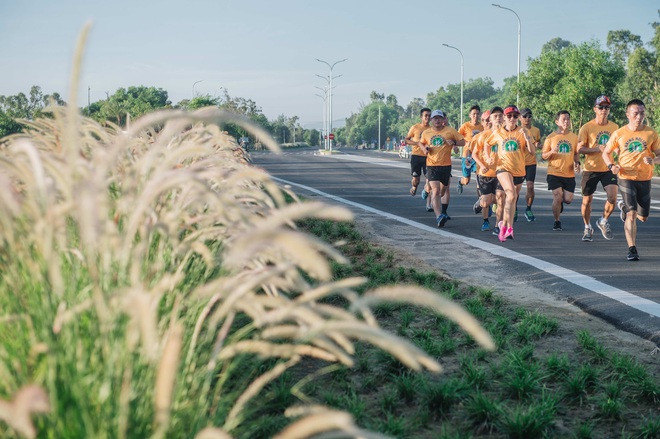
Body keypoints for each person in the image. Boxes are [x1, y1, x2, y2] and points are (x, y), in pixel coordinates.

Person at [603, 99, 660, 261]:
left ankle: (623, 207)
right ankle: (632, 249)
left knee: (643, 217)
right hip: (625, 176)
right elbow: (606, 152)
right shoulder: (619, 133)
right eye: (635, 113)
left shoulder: (651, 133)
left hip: (644, 178)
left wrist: (653, 161)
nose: (639, 116)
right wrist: (611, 166)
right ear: (627, 115)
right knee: (632, 214)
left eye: (642, 113)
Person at [485, 105, 534, 242]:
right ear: (505, 118)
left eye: (514, 116)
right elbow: (487, 144)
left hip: (519, 170)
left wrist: (527, 138)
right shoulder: (498, 132)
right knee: (511, 194)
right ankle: (508, 228)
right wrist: (488, 157)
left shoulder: (523, 131)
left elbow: (532, 152)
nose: (512, 118)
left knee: (512, 199)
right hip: (503, 168)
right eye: (509, 116)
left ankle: (505, 225)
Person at [577, 95, 619, 242]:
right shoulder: (587, 127)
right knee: (587, 201)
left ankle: (603, 220)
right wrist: (596, 149)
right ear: (595, 109)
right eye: (601, 107)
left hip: (608, 168)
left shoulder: (614, 127)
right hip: (591, 169)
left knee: (613, 197)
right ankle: (587, 226)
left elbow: (617, 148)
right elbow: (580, 149)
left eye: (606, 107)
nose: (604, 110)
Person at [419, 110, 465, 227]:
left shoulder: (450, 131)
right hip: (432, 165)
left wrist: (454, 142)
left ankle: (440, 210)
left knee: (443, 190)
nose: (437, 120)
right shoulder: (427, 132)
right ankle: (439, 216)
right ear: (431, 120)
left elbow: (463, 141)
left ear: (443, 119)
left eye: (439, 118)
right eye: (435, 118)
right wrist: (424, 149)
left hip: (445, 166)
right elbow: (420, 143)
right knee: (436, 191)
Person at [541, 110, 581, 232]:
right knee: (558, 196)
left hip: (568, 173)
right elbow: (543, 156)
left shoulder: (574, 137)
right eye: (563, 119)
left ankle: (559, 204)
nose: (566, 121)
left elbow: (575, 153)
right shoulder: (550, 137)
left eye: (568, 119)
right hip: (554, 172)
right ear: (557, 121)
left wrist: (577, 163)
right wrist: (552, 151)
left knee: (567, 199)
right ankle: (557, 221)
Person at [471, 109, 500, 232]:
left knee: (500, 198)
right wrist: (482, 165)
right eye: (486, 120)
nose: (488, 122)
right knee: (487, 201)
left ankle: (498, 226)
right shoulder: (482, 136)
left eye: (490, 119)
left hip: (500, 173)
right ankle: (485, 220)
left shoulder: (503, 134)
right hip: (485, 173)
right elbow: (473, 154)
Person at [405, 108, 432, 212]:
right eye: (426, 115)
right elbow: (407, 140)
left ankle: (428, 204)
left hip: (428, 157)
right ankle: (414, 187)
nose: (428, 118)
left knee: (430, 180)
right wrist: (417, 143)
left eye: (429, 116)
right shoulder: (415, 127)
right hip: (416, 156)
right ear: (421, 117)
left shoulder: (432, 129)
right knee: (416, 179)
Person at [519, 108, 542, 221]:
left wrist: (539, 144)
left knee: (530, 186)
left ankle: (528, 208)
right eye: (524, 116)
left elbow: (537, 142)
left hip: (531, 162)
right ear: (520, 118)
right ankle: (514, 209)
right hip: (518, 163)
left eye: (529, 116)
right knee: (515, 189)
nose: (527, 118)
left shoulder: (536, 130)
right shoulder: (517, 130)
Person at [457, 105, 484, 194]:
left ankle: (481, 202)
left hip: (478, 156)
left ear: (479, 115)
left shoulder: (482, 127)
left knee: (479, 181)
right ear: (470, 115)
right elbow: (457, 137)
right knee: (466, 180)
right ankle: (460, 182)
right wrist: (463, 143)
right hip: (467, 156)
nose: (475, 116)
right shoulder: (465, 126)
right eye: (473, 114)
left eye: (477, 114)